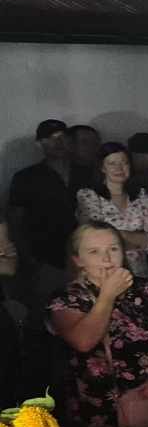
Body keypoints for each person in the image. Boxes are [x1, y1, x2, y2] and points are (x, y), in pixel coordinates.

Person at [46, 222, 148, 427]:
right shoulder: (66, 299)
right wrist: (108, 295)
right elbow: (83, 341)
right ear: (78, 260)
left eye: (113, 249)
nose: (106, 258)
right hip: (100, 410)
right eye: (94, 251)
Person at [10, 118, 77, 308]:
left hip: (88, 257)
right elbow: (15, 222)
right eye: (50, 138)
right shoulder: (26, 178)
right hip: (46, 261)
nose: (58, 142)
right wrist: (30, 261)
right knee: (49, 311)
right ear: (39, 144)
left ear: (69, 141)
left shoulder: (86, 173)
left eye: (62, 137)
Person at [75, 142, 148, 279]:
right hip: (104, 274)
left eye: (124, 163)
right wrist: (140, 239)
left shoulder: (140, 194)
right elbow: (94, 237)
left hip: (140, 274)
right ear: (102, 167)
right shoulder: (88, 195)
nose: (119, 168)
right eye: (112, 163)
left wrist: (121, 236)